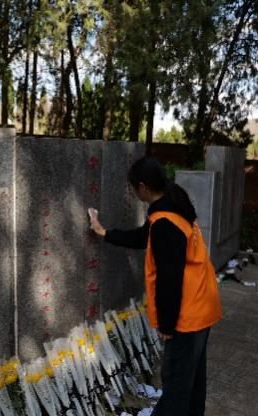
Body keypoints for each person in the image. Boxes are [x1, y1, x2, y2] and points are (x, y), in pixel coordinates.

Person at [89, 156, 221, 416]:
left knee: (176, 385)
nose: (133, 193)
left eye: (133, 188)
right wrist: (106, 233)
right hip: (202, 305)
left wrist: (166, 325)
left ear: (143, 187)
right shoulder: (171, 206)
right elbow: (143, 237)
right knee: (192, 381)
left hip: (187, 314)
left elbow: (169, 278)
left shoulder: (164, 223)